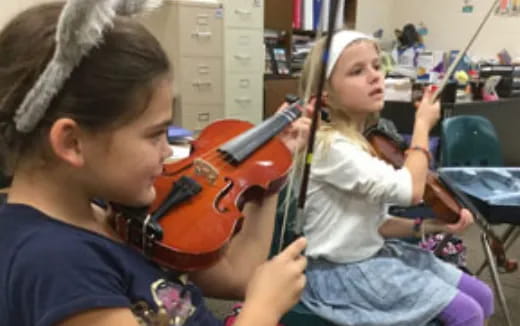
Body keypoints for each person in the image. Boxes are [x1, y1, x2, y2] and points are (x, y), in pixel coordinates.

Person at [0, 2, 311, 326]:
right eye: (155, 135)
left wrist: (267, 167)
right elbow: (251, 294)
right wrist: (262, 311)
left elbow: (238, 277)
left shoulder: (107, 211)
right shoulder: (57, 267)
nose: (168, 151)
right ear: (71, 143)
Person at [297, 30, 494, 326]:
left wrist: (431, 225)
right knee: (467, 314)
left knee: (483, 296)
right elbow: (411, 191)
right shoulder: (330, 147)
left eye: (376, 66)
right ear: (326, 96)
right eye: (357, 71)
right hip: (339, 273)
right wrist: (422, 126)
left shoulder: (359, 142)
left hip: (371, 255)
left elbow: (375, 225)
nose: (375, 76)